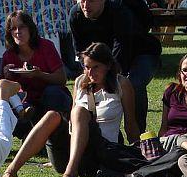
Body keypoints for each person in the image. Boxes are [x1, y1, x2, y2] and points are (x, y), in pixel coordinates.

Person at [0, 43, 141, 177]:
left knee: (79, 111)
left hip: (101, 153)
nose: (90, 73)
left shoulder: (121, 84)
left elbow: (130, 124)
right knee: (52, 115)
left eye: (96, 67)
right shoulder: (80, 82)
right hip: (68, 154)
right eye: (87, 67)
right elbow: (72, 124)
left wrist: (139, 152)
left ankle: (71, 173)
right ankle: (11, 171)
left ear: (108, 65)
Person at [69, 0, 162, 135]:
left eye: (91, 0)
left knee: (133, 84)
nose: (85, 5)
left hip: (142, 52)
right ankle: (106, 134)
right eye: (82, 0)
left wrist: (107, 75)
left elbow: (122, 48)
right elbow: (80, 51)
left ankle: (138, 136)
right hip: (105, 59)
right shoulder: (76, 14)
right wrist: (89, 71)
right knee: (88, 84)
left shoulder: (119, 11)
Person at [1, 10, 71, 128]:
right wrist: (7, 77)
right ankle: (29, 133)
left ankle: (59, 129)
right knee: (14, 109)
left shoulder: (45, 46)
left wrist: (39, 74)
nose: (18, 32)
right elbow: (4, 90)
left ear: (30, 28)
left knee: (52, 92)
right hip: (28, 102)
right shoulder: (8, 55)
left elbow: (61, 79)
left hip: (52, 99)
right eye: (13, 29)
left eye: (21, 27)